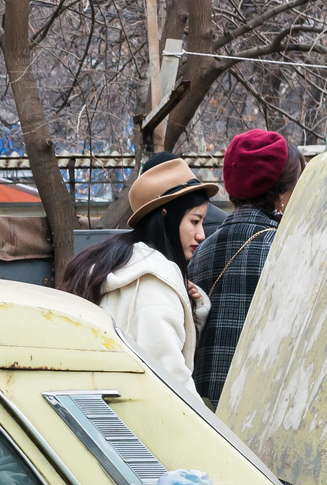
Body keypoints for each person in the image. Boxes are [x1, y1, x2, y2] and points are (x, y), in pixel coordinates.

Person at [59, 158, 216, 400]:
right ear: (167, 217)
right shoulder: (154, 285)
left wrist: (195, 310)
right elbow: (172, 384)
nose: (201, 234)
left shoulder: (118, 261)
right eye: (194, 221)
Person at [189, 130, 305, 405]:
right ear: (282, 192)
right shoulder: (293, 248)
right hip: (271, 405)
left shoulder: (199, 251)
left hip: (207, 409)